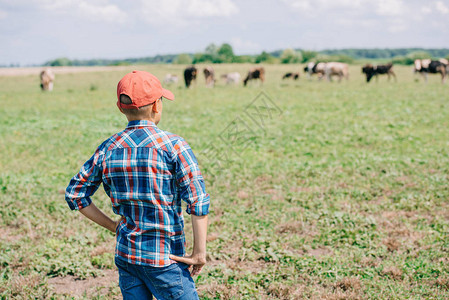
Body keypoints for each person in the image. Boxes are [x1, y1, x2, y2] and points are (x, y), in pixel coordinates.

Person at [65, 70, 210, 299]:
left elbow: (75, 194)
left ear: (120, 107)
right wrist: (199, 253)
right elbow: (197, 200)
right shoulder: (174, 146)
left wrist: (114, 226)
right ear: (157, 106)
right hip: (166, 259)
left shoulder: (108, 148)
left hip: (127, 257)